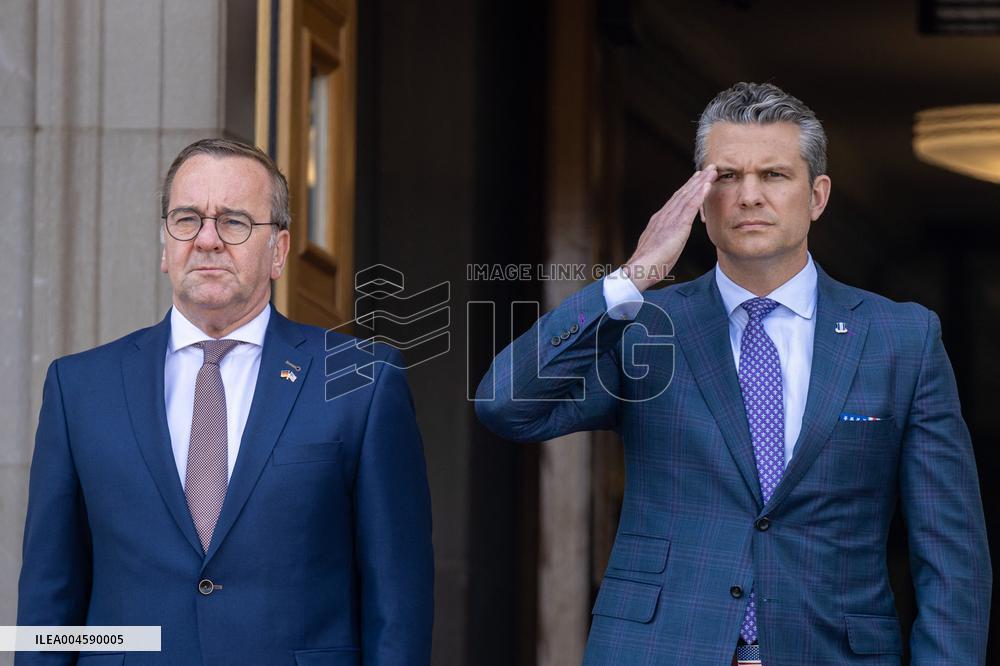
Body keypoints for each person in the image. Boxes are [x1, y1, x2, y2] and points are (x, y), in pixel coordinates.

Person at [476, 82, 991, 665]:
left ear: (816, 196)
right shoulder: (645, 326)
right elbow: (505, 404)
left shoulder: (902, 339)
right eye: (726, 176)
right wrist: (632, 278)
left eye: (774, 175)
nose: (749, 196)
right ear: (698, 197)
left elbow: (952, 554)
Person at [17, 139, 434, 665]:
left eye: (234, 222)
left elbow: (398, 605)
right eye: (187, 219)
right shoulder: (78, 388)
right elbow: (47, 608)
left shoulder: (362, 381)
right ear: (164, 246)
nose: (207, 240)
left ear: (279, 251)